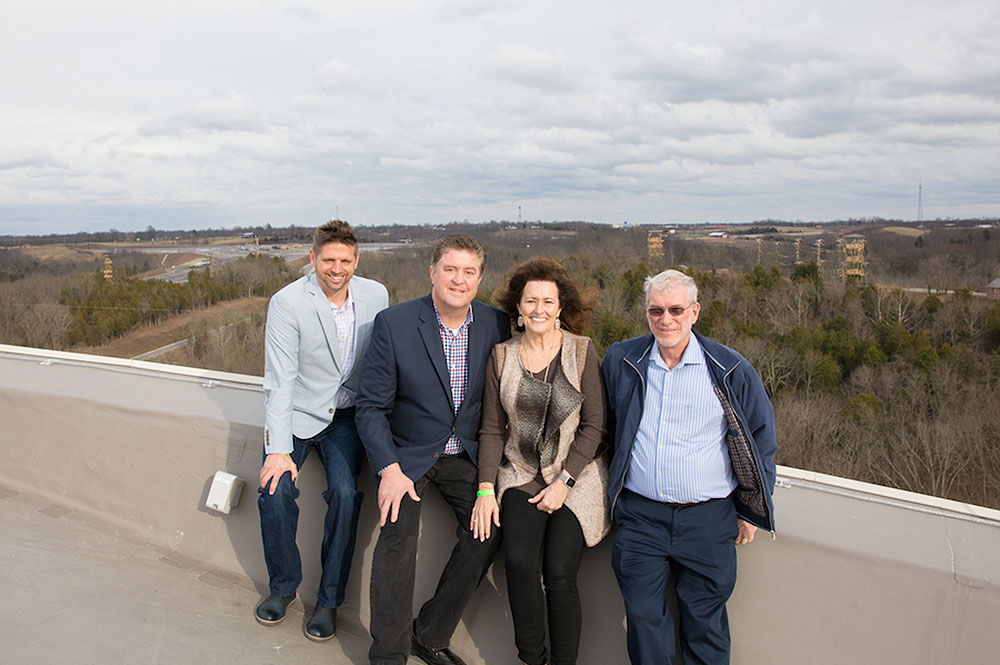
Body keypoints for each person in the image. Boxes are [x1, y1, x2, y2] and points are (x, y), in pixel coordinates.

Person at [601, 268, 777, 665]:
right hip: (641, 518)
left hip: (709, 521)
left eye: (676, 310)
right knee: (644, 618)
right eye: (656, 310)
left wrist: (751, 509)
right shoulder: (623, 360)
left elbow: (761, 438)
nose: (666, 320)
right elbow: (605, 424)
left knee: (705, 624)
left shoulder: (729, 368)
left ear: (695, 312)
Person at [356, 235, 511, 665]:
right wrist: (388, 468)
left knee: (488, 531)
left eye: (468, 272)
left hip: (465, 456)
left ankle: (430, 633)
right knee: (397, 540)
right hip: (407, 456)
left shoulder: (496, 325)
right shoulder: (395, 324)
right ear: (432, 272)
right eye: (450, 269)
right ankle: (388, 655)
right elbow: (370, 407)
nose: (458, 280)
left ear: (479, 279)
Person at [255, 220, 388, 642]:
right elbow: (279, 379)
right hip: (296, 414)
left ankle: (329, 601)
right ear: (313, 258)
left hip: (346, 417)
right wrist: (278, 449)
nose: (337, 268)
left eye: (345, 260)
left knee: (347, 498)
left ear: (356, 260)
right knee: (275, 493)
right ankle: (282, 588)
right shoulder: (288, 302)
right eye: (328, 259)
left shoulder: (376, 295)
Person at [472, 258, 609, 665]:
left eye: (548, 301)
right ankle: (533, 659)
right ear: (518, 307)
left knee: (560, 571)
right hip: (521, 474)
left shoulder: (581, 352)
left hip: (576, 477)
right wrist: (484, 487)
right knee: (518, 564)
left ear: (560, 307)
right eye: (531, 301)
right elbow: (493, 429)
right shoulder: (501, 356)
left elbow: (595, 426)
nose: (539, 310)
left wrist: (564, 482)